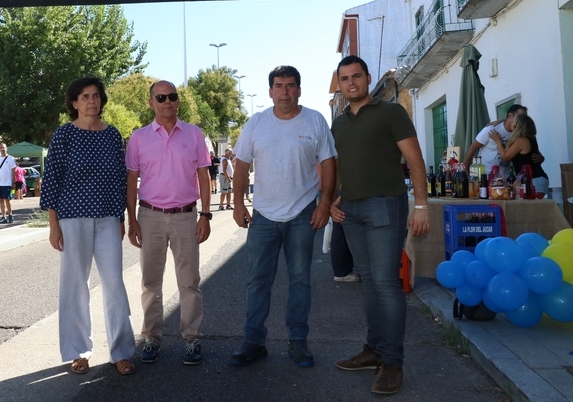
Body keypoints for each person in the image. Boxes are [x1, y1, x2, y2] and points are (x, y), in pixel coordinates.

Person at [329, 55, 430, 396]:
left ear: (368, 78)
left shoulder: (390, 112)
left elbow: (415, 160)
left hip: (386, 206)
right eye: (345, 79)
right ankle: (373, 350)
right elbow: (340, 164)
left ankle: (392, 362)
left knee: (386, 284)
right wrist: (333, 199)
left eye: (356, 76)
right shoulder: (339, 123)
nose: (351, 83)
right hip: (352, 210)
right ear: (339, 84)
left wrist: (421, 204)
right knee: (369, 282)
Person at [230, 65, 336, 368]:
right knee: (257, 280)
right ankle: (253, 341)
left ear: (299, 90)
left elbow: (329, 164)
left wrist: (324, 203)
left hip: (303, 214)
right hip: (263, 216)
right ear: (270, 91)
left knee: (300, 281)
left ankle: (298, 342)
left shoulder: (315, 121)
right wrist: (238, 203)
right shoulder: (257, 123)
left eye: (290, 85)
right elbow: (241, 165)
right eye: (279, 86)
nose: (284, 91)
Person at [40, 76, 135, 376]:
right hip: (72, 218)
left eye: (95, 96)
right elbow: (51, 180)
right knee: (75, 286)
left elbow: (120, 179)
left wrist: (121, 217)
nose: (91, 101)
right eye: (84, 96)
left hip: (108, 218)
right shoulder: (64, 136)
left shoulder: (112, 136)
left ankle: (121, 352)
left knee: (115, 285)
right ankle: (78, 352)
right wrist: (53, 224)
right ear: (74, 103)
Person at [126, 80, 212, 366]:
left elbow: (203, 176)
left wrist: (205, 215)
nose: (167, 101)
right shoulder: (138, 138)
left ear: (178, 101)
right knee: (150, 282)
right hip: (149, 216)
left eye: (172, 96)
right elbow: (130, 181)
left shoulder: (194, 134)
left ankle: (192, 339)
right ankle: (151, 338)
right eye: (160, 97)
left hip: (187, 217)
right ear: (151, 102)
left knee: (189, 282)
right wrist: (132, 220)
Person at [489, 114, 549, 195]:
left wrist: (498, 141)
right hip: (536, 178)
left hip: (534, 179)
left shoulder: (521, 140)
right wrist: (500, 121)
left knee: (533, 206)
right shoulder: (530, 138)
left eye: (513, 122)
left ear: (517, 125)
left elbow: (506, 157)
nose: (511, 123)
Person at [463, 104, 527, 177]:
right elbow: (473, 147)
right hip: (485, 175)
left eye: (525, 117)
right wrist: (466, 168)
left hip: (504, 176)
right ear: (510, 116)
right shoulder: (491, 129)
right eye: (521, 116)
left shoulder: (519, 133)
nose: (523, 120)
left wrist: (540, 157)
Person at [0, 143, 17, 224]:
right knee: (0, 200)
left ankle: (10, 215)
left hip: (7, 183)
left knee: (7, 200)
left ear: (6, 148)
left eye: (3, 147)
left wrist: (13, 182)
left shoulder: (11, 159)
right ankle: (3, 216)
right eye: (0, 148)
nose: (2, 149)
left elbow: (13, 171)